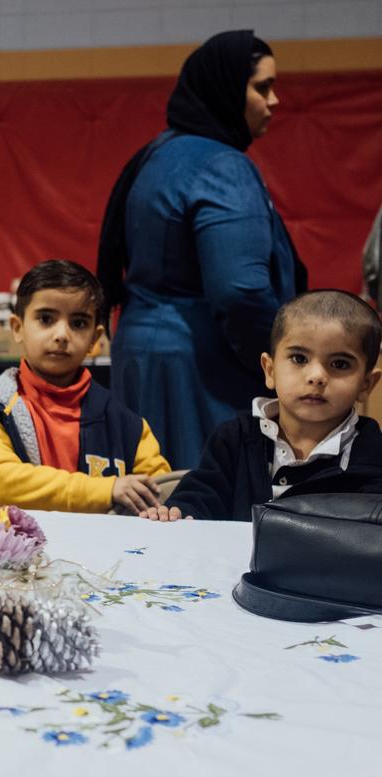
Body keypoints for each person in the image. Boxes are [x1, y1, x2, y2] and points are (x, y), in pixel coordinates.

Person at [97, 30, 307, 470]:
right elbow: (241, 291)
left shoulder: (158, 154)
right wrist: (282, 366)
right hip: (200, 367)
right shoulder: (222, 165)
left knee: (151, 504)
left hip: (143, 355)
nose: (275, 101)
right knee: (205, 509)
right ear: (226, 89)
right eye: (262, 87)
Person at [141, 290, 382, 522]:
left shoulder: (373, 456)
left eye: (340, 364)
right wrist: (177, 512)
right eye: (299, 358)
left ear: (366, 384)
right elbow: (200, 496)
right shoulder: (234, 437)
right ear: (270, 370)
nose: (316, 376)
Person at [0, 260, 172, 514]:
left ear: (95, 339)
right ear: (17, 328)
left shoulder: (129, 426)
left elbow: (161, 490)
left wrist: (164, 509)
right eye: (46, 319)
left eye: (78, 323)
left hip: (102, 552)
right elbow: (2, 482)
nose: (61, 335)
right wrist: (106, 489)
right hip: (15, 551)